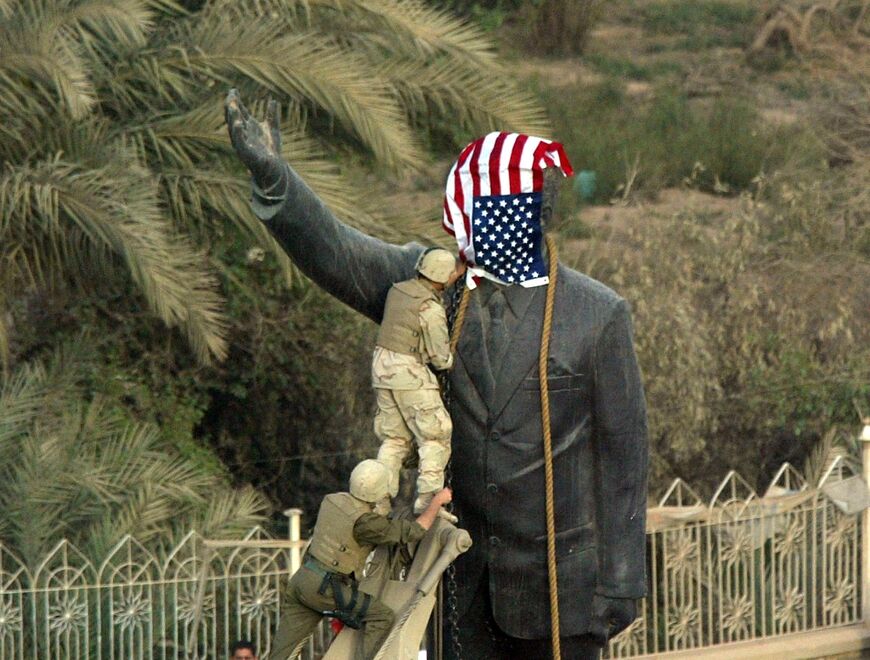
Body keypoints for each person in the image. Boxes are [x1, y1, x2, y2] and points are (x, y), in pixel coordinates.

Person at [226, 91, 648, 660]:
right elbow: (340, 255)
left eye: (505, 207)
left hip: (560, 592)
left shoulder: (597, 314)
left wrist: (621, 581)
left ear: (538, 213)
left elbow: (624, 456)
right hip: (455, 585)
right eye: (478, 207)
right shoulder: (427, 290)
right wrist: (277, 182)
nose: (485, 222)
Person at [270, 459, 452, 660]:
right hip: (327, 588)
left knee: (282, 653)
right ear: (380, 490)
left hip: (303, 581)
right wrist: (436, 502)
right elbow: (414, 531)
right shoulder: (366, 523)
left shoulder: (332, 500)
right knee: (381, 617)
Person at [373, 247, 464, 522]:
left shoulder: (398, 291)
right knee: (436, 433)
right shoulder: (431, 308)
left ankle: (378, 502)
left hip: (381, 368)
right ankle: (428, 502)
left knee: (395, 440)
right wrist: (450, 358)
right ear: (440, 276)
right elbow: (440, 359)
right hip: (408, 373)